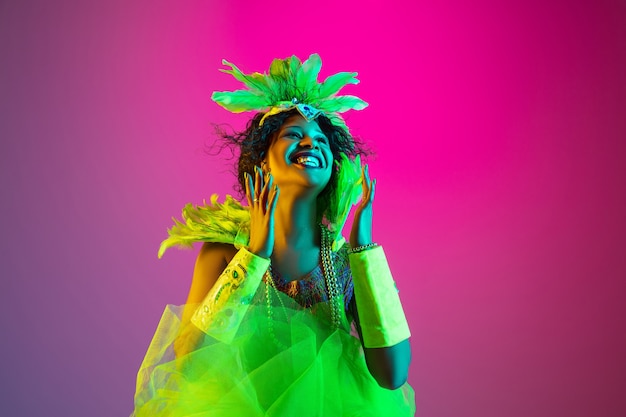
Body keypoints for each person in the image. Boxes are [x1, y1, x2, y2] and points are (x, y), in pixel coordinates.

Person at [131, 54, 415, 416]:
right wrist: (253, 256)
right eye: (294, 134)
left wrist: (364, 253)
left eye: (322, 140)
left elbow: (393, 375)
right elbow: (189, 361)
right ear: (261, 160)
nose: (311, 143)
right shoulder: (224, 252)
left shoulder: (345, 262)